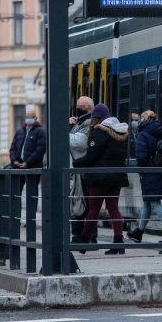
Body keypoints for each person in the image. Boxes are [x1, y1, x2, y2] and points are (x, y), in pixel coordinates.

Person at [72, 104, 129, 255]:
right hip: (116, 176)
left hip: (100, 177)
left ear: (97, 117)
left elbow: (92, 155)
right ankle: (119, 243)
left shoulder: (99, 131)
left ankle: (83, 243)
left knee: (93, 210)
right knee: (114, 209)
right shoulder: (121, 131)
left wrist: (77, 164)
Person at [127, 110, 162, 243]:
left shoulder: (143, 134)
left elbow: (141, 155)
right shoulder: (160, 130)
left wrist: (141, 168)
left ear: (143, 120)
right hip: (159, 169)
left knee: (154, 202)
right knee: (147, 202)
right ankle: (139, 232)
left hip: (148, 171)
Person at [8, 109, 46, 209]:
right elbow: (13, 147)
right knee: (16, 193)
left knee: (32, 194)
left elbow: (40, 150)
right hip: (17, 166)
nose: (29, 119)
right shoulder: (20, 131)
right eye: (27, 117)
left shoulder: (40, 132)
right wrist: (13, 160)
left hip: (33, 167)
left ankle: (31, 220)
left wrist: (27, 162)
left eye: (31, 117)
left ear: (36, 118)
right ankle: (17, 219)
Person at [69, 96, 94, 240]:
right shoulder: (81, 121)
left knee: (81, 202)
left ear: (86, 107)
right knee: (78, 202)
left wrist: (67, 130)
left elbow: (79, 143)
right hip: (77, 168)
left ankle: (84, 235)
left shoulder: (88, 122)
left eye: (79, 106)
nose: (77, 109)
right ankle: (79, 235)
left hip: (83, 168)